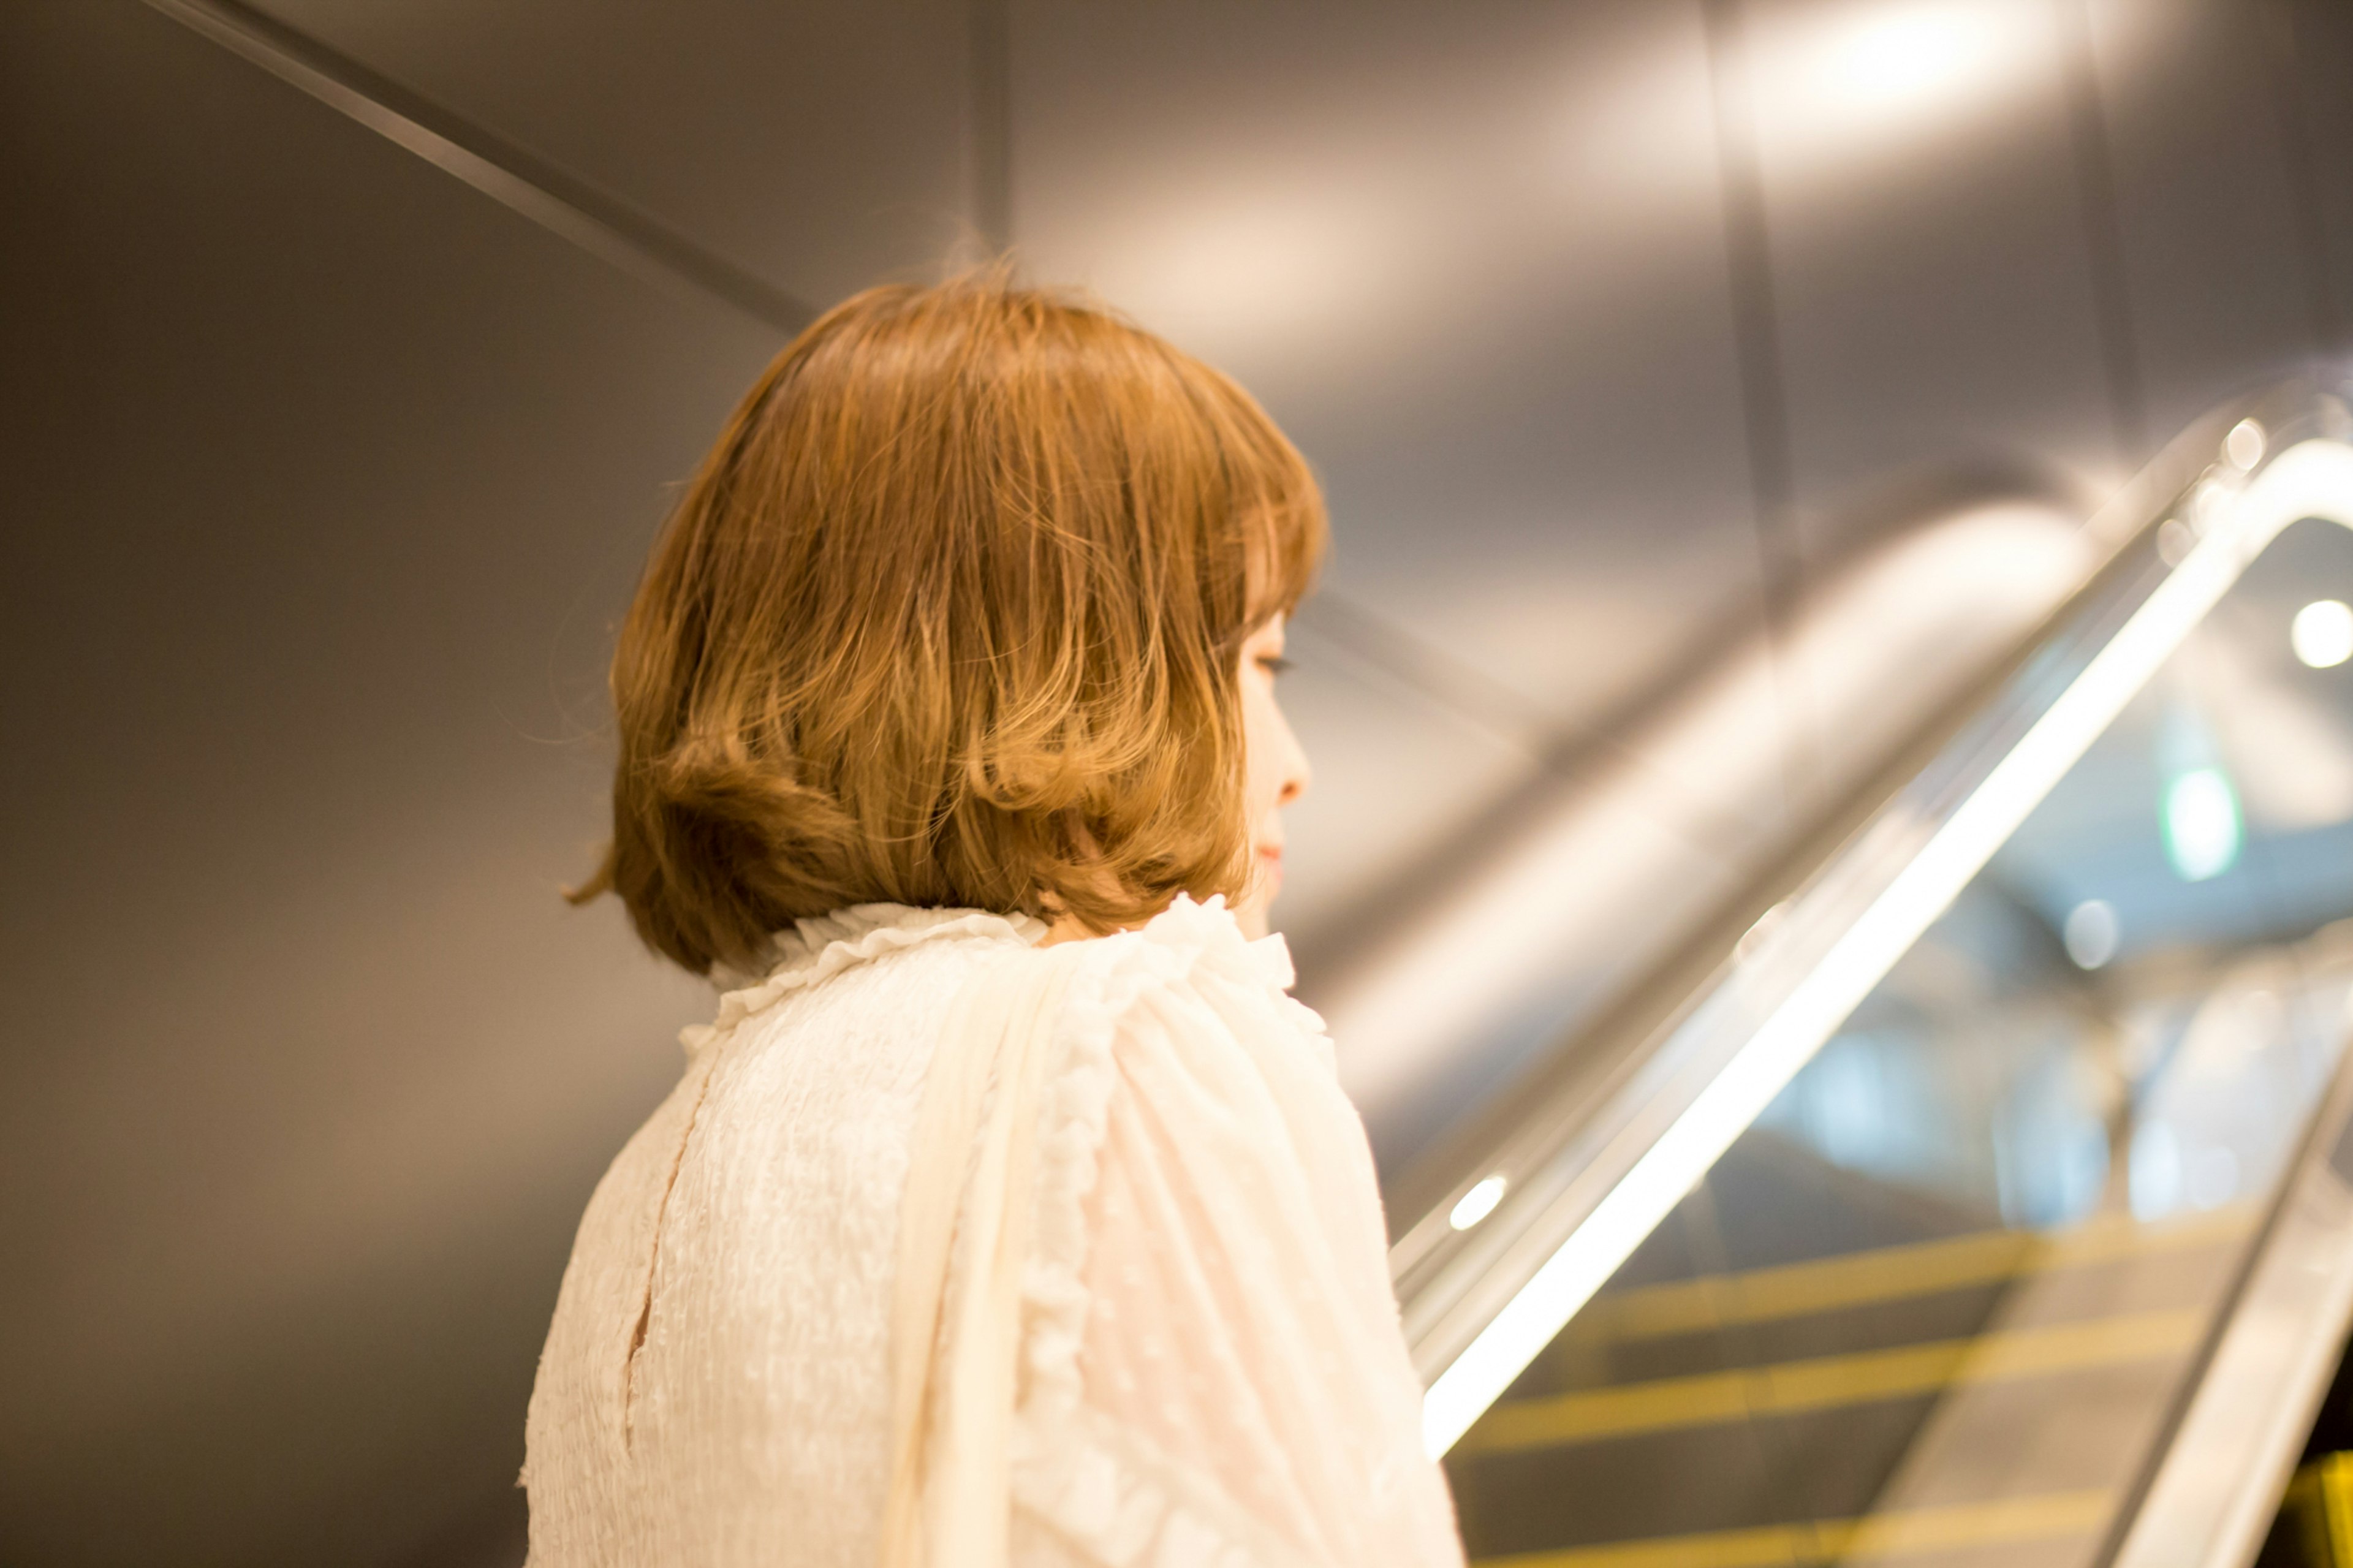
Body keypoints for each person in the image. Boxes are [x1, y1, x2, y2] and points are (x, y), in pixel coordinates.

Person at [522, 277, 1463, 1567]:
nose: (1291, 759)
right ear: (1075, 654)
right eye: (1256, 661)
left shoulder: (650, 1188)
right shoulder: (1125, 1047)